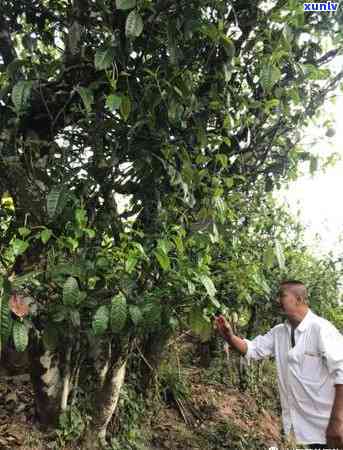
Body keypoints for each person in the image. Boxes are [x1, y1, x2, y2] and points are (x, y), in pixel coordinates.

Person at [215, 280, 343, 449]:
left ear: (298, 299)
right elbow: (253, 349)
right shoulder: (279, 332)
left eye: (282, 295)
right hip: (309, 429)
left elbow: (341, 371)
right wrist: (230, 337)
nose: (277, 300)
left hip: (332, 425)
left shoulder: (321, 330)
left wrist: (337, 420)